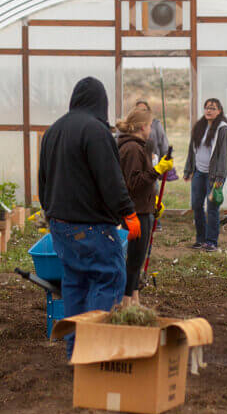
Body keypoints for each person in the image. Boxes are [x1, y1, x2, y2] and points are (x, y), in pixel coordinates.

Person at [38, 76, 141, 354]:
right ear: (101, 103)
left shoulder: (53, 131)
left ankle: (75, 351)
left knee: (74, 284)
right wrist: (128, 213)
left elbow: (43, 181)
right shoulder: (96, 131)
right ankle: (93, 352)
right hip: (92, 228)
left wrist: (51, 214)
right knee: (107, 279)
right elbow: (110, 179)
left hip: (61, 227)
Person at [115, 108, 174, 304]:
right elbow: (134, 183)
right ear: (142, 127)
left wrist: (153, 201)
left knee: (137, 259)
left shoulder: (137, 146)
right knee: (133, 260)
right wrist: (157, 170)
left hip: (143, 208)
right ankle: (126, 304)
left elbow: (140, 183)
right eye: (149, 126)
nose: (151, 130)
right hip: (136, 212)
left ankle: (135, 301)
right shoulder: (132, 149)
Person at [183, 98, 227, 251]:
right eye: (207, 107)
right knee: (196, 205)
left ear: (219, 111)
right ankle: (200, 239)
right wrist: (188, 170)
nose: (209, 110)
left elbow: (224, 155)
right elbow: (192, 150)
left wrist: (220, 178)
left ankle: (211, 241)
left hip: (213, 176)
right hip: (198, 173)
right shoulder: (199, 127)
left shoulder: (222, 129)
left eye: (213, 108)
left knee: (212, 207)